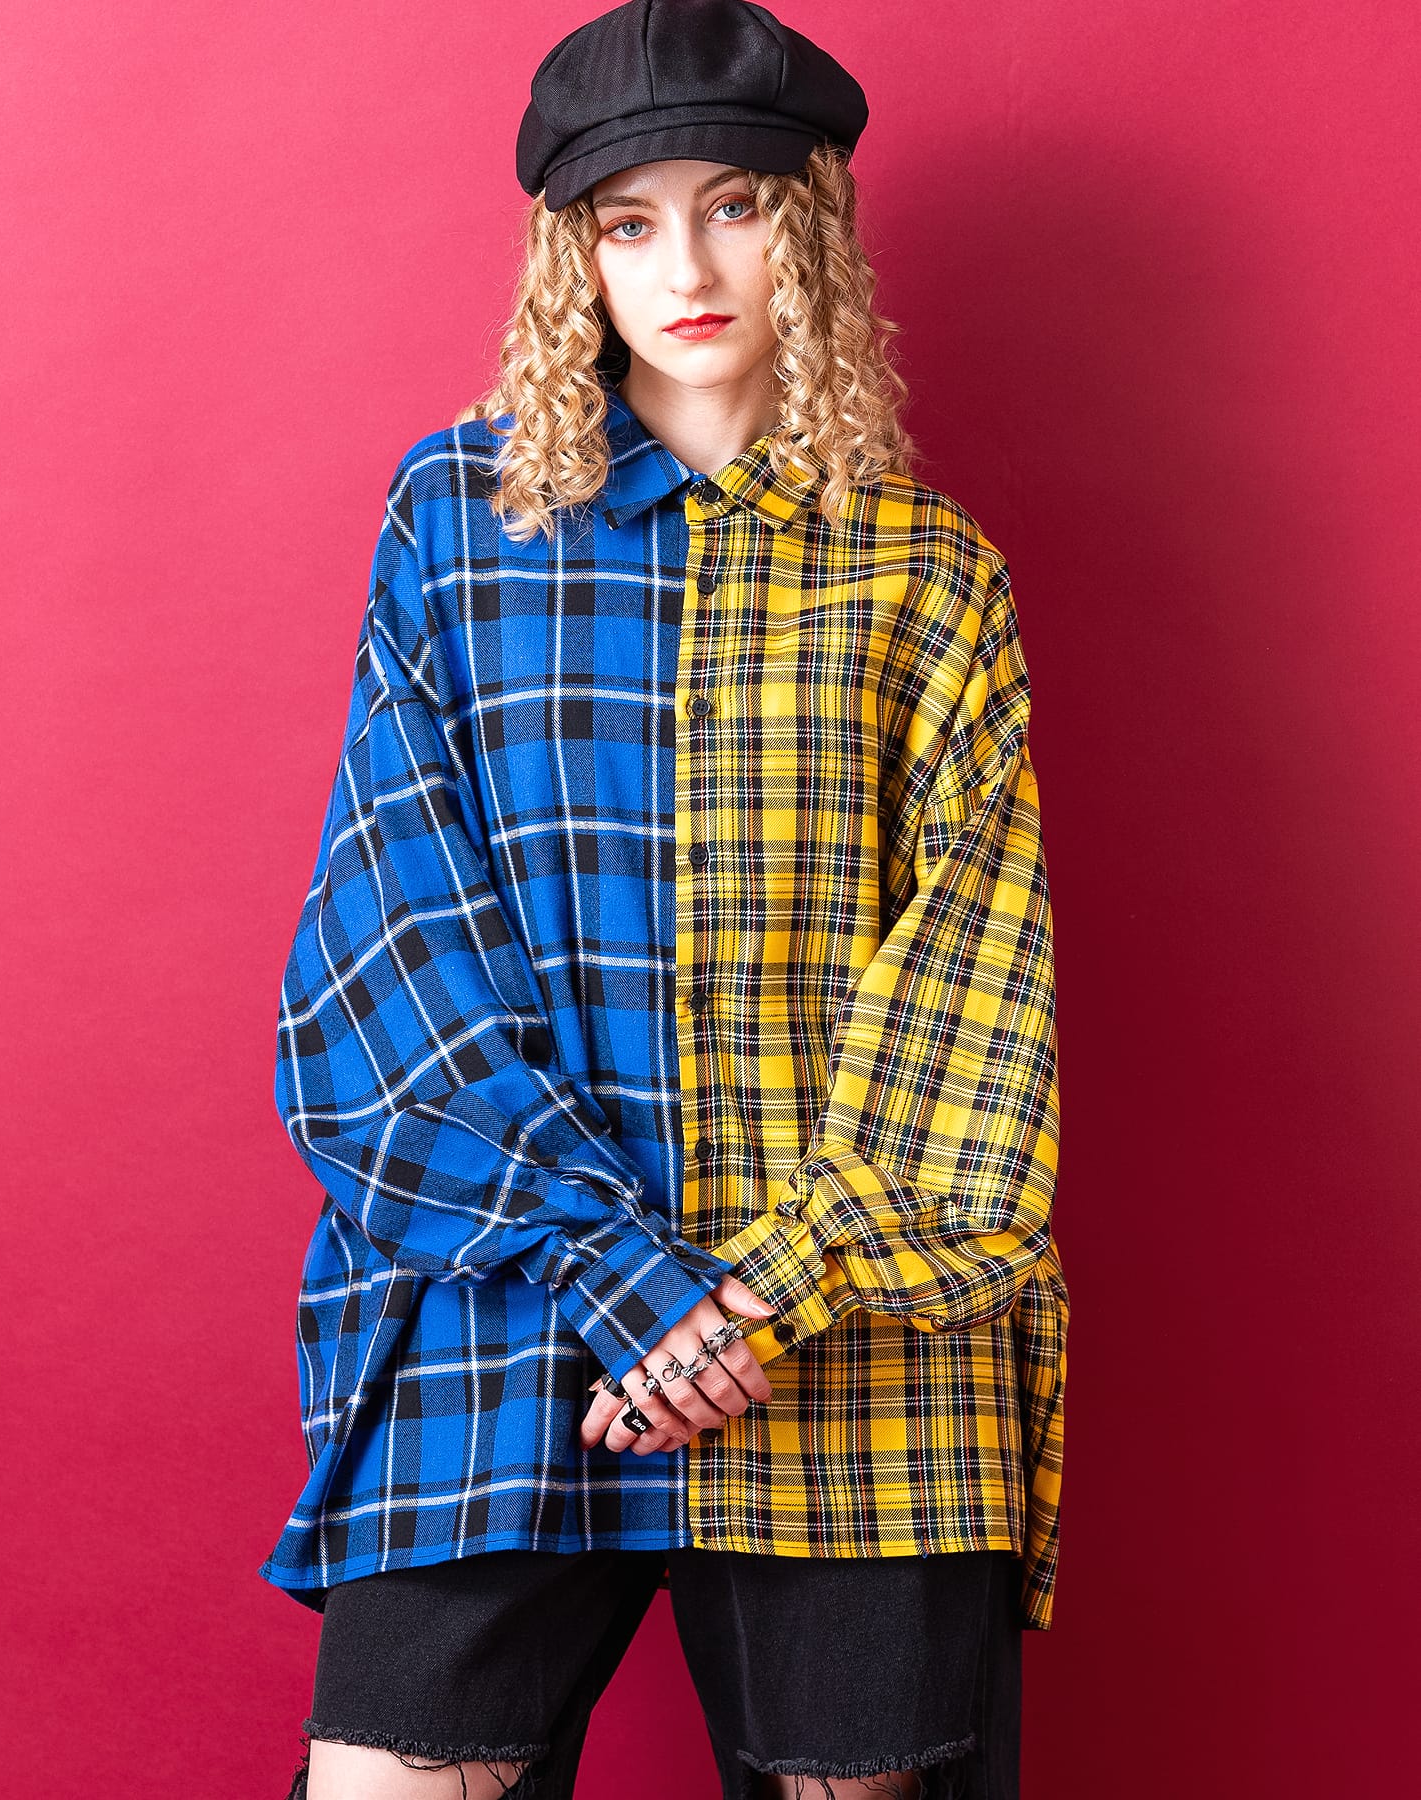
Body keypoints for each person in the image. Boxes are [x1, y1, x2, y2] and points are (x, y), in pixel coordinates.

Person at [262, 3, 1070, 1797]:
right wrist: (622, 1271)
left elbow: (973, 1008)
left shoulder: (931, 576)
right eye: (630, 222)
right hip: (508, 1293)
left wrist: (758, 1297)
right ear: (576, 254)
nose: (686, 270)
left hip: (849, 1333)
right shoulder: (461, 518)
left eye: (735, 207)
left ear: (814, 223)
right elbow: (389, 938)